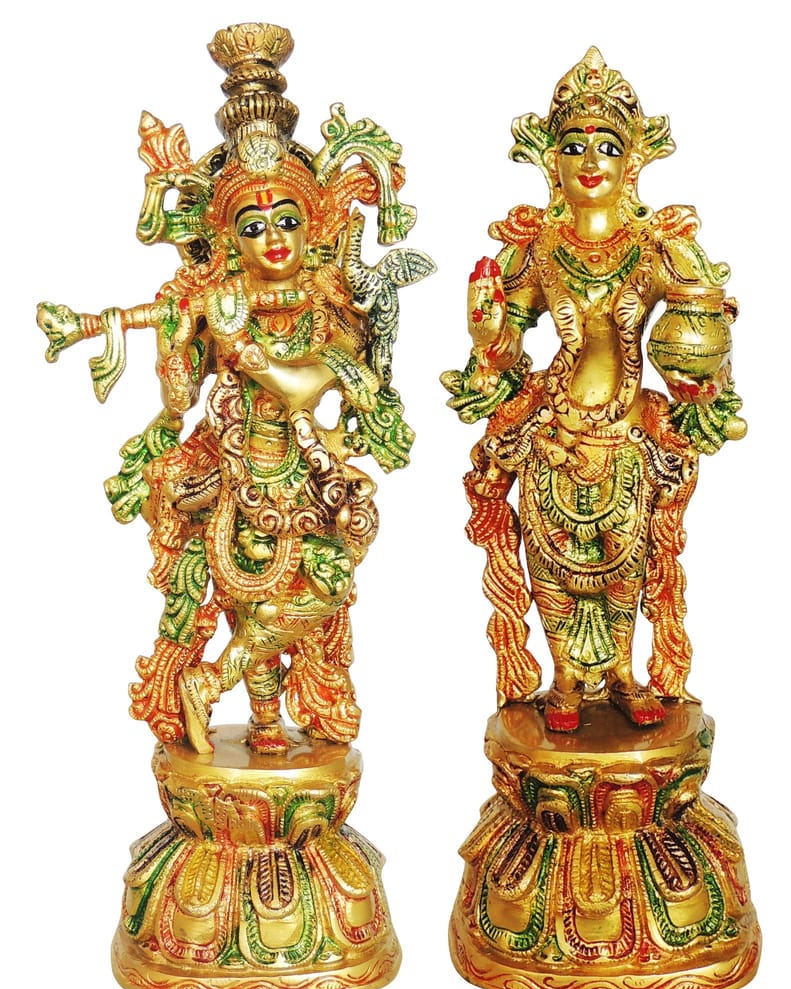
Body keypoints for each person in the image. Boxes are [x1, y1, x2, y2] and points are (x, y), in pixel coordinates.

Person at [38, 23, 433, 754]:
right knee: (229, 593)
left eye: (287, 219)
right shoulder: (220, 299)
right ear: (228, 241)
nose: (273, 237)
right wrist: (151, 340)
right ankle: (258, 719)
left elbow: (304, 388)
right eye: (253, 226)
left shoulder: (331, 313)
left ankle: (221, 679)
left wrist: (243, 349)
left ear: (314, 228)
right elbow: (177, 380)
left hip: (302, 469)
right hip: (227, 468)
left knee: (325, 580)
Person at [442, 47, 745, 732]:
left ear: (631, 161)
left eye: (606, 145)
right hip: (554, 428)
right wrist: (488, 332)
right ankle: (564, 683)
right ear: (551, 160)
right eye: (573, 145)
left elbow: (702, 317)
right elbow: (505, 340)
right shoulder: (539, 247)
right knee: (550, 558)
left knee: (625, 561)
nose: (589, 160)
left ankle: (624, 674)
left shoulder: (655, 246)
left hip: (629, 428)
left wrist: (704, 368)